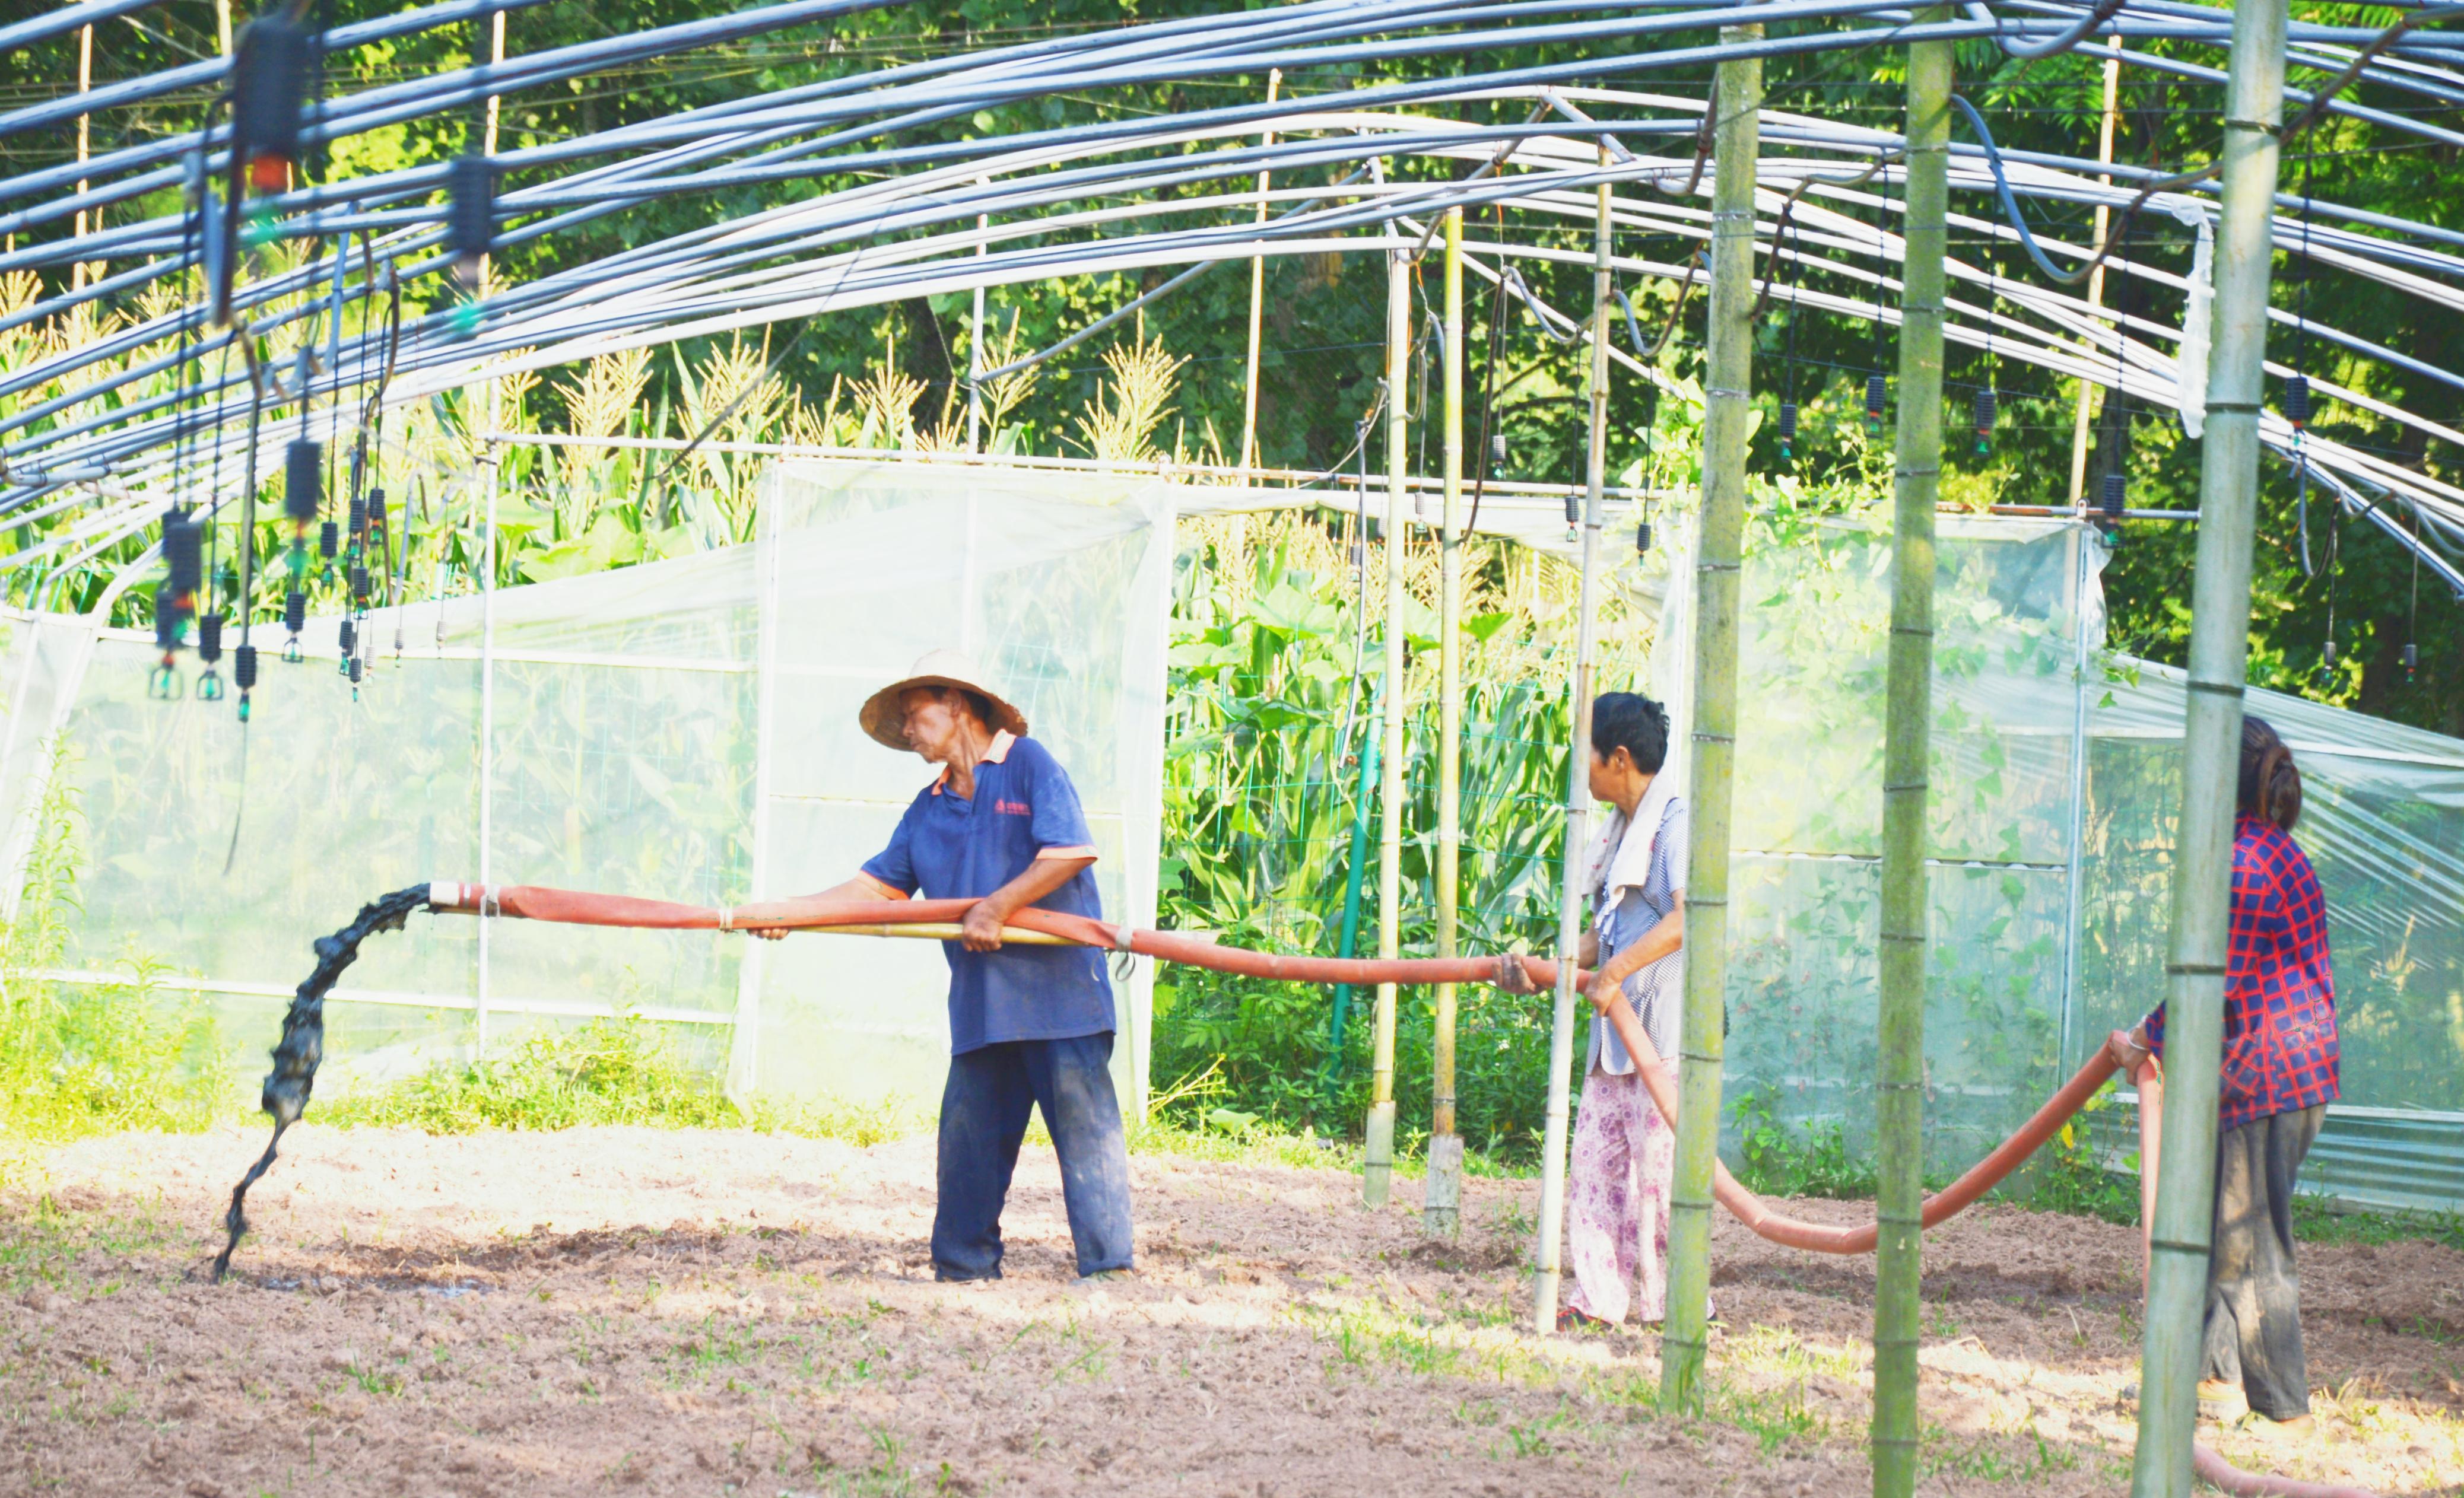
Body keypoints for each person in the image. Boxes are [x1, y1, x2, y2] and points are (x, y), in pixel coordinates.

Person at [758, 649, 1134, 1284]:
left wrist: (997, 906)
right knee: (967, 1144)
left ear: (956, 703)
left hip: (1061, 998)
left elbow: (1072, 850)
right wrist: (791, 911)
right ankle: (964, 1270)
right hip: (983, 1007)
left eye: (914, 714)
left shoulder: (1028, 764)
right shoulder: (928, 808)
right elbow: (875, 889)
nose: (907, 730)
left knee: (1086, 1136)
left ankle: (1108, 1270)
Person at [2108, 715, 2338, 1429]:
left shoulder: (2241, 864)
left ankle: (2283, 1405)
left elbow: (2213, 985)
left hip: (2267, 1078)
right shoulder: (2274, 850)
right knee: (2219, 1229)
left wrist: (2143, 1038)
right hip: (2285, 1073)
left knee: (2249, 1242)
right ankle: (2212, 1379)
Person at [1504, 692, 1688, 1330]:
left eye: (1586, 751)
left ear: (1619, 757)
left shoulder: (1674, 825)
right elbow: (1601, 937)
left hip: (1662, 1033)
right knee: (1594, 1168)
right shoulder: (1618, 832)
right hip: (1614, 1035)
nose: (1579, 765)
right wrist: (1543, 968)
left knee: (1659, 1179)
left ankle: (1677, 1304)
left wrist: (1614, 971)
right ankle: (1599, 1301)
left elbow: (1688, 919)